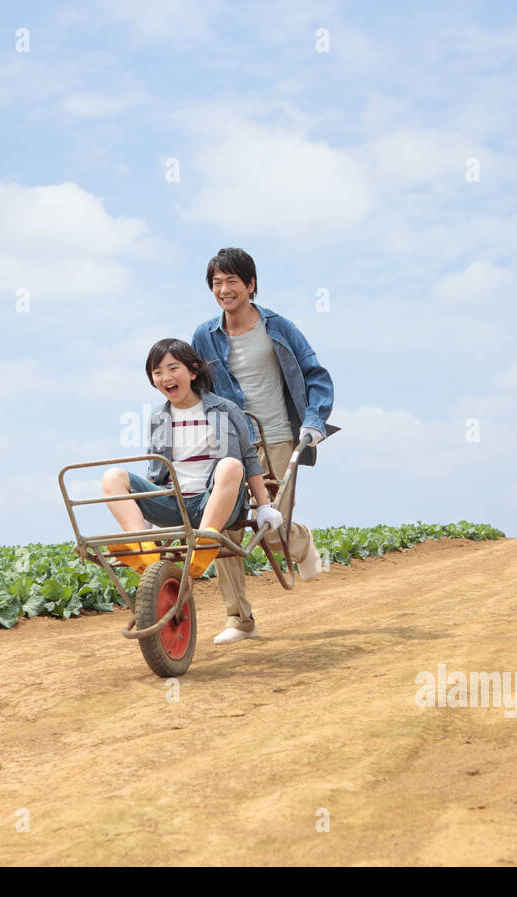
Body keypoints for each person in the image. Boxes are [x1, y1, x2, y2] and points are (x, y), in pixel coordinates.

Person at [191, 247, 339, 646]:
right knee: (221, 530)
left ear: (250, 284)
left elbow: (315, 374)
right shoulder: (204, 337)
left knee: (271, 528)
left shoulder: (279, 328)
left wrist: (314, 421)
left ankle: (299, 540)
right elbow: (196, 391)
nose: (224, 289)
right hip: (230, 446)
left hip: (277, 437)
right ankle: (239, 619)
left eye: (232, 281)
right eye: (217, 283)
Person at [100, 338, 285, 580]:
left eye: (173, 368)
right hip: (173, 503)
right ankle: (143, 546)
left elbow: (250, 459)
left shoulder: (224, 410)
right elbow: (155, 468)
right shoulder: (159, 417)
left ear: (193, 371)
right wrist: (145, 519)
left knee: (230, 464)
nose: (166, 377)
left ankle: (205, 541)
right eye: (157, 372)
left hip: (214, 503)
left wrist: (263, 506)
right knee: (112, 476)